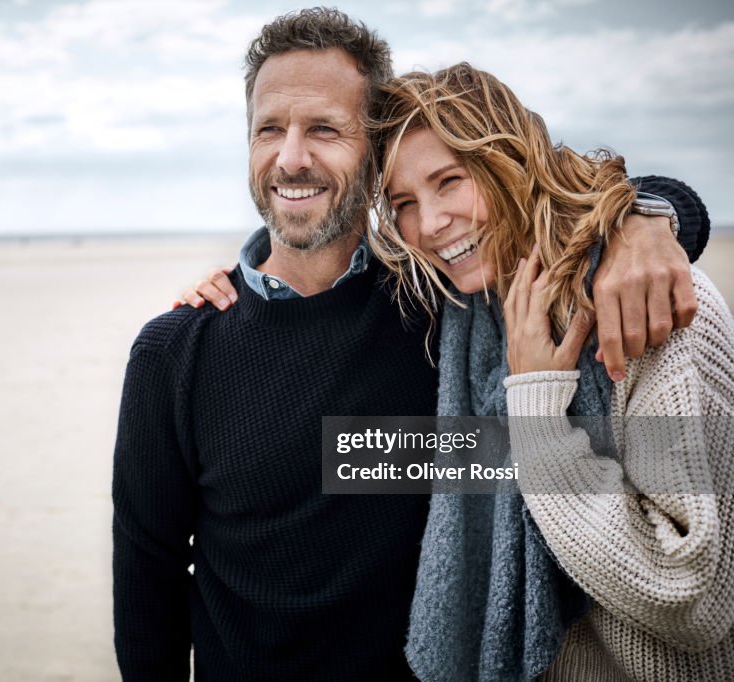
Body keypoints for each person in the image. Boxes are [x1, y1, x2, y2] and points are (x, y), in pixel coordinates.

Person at [116, 8, 706, 680]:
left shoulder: (443, 312)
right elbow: (149, 577)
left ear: (376, 155)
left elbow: (556, 213)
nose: (291, 157)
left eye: (325, 130)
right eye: (269, 130)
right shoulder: (176, 351)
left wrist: (649, 220)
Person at [371, 64, 733, 680]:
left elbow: (692, 598)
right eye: (404, 204)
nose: (429, 225)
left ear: (507, 161)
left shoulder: (651, 310)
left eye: (449, 181)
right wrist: (235, 289)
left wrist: (537, 413)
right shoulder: (465, 312)